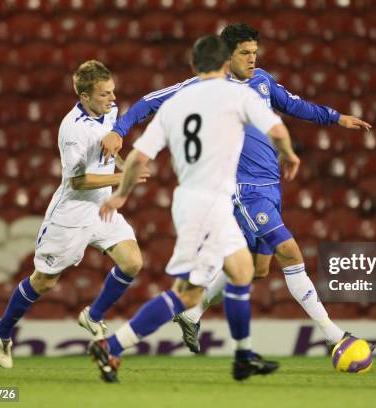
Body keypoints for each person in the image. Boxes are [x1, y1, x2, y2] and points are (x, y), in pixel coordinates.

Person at [100, 23, 372, 353]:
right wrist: (119, 129)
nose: (252, 59)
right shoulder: (208, 86)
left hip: (271, 186)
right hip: (244, 189)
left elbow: (294, 105)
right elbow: (149, 102)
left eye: (255, 53)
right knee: (290, 251)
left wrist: (336, 118)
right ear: (227, 57)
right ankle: (334, 336)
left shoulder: (262, 81)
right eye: (245, 53)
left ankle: (192, 314)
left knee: (257, 269)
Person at [92, 35, 300, 383]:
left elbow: (139, 157)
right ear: (224, 65)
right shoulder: (238, 95)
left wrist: (121, 195)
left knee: (242, 269)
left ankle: (243, 355)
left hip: (194, 200)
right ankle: (111, 345)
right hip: (208, 206)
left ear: (193, 67)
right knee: (186, 293)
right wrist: (289, 154)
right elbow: (277, 129)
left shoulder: (177, 103)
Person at [0, 60, 148, 369]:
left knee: (133, 262)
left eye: (113, 92)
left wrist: (123, 163)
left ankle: (93, 316)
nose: (113, 100)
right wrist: (124, 178)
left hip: (101, 207)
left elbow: (109, 152)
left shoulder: (110, 113)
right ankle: (2, 330)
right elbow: (78, 181)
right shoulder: (72, 129)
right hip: (72, 211)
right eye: (104, 94)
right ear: (85, 97)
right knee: (45, 282)